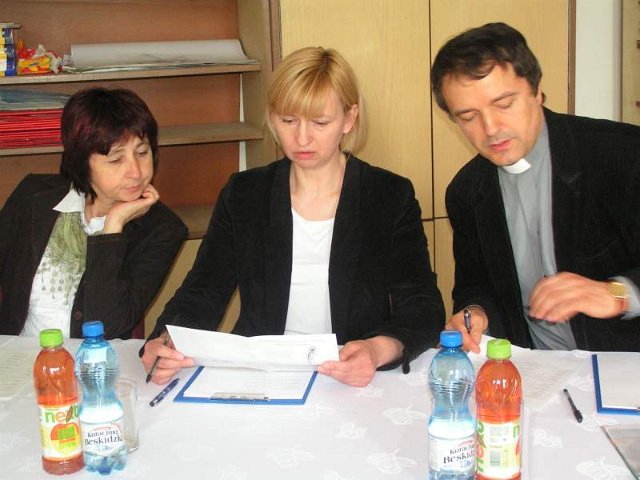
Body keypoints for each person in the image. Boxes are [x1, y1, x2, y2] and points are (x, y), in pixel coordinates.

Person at [142, 46, 445, 387]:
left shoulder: (388, 195)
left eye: (320, 122)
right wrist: (168, 340)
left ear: (349, 119)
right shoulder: (244, 193)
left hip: (351, 372)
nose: (302, 138)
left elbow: (422, 306)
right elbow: (204, 289)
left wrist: (377, 350)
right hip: (262, 372)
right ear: (272, 118)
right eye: (288, 121)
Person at [431, 22, 640, 353]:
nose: (490, 128)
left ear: (536, 90)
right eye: (469, 116)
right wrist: (476, 313)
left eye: (504, 104)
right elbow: (476, 285)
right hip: (535, 369)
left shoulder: (622, 155)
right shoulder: (466, 191)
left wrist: (618, 294)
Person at [0, 87, 188, 339]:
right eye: (116, 160)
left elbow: (109, 325)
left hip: (93, 360)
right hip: (15, 355)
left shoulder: (162, 229)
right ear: (81, 161)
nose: (136, 172)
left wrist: (113, 227)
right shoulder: (33, 196)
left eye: (142, 153)